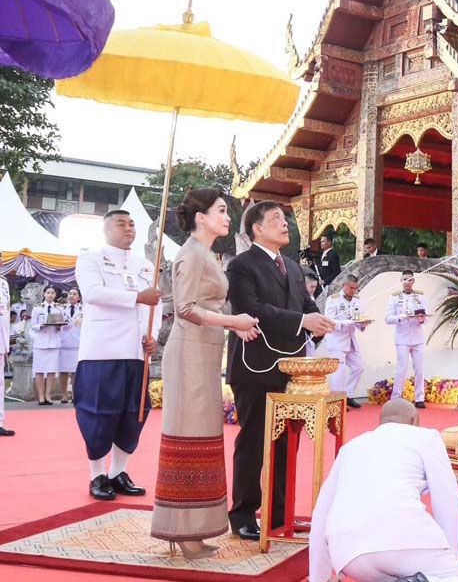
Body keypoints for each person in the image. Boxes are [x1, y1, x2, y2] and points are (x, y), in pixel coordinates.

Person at [151, 188, 260, 559]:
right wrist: (233, 320)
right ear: (200, 217)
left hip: (206, 351)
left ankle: (189, 527)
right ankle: (180, 529)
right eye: (220, 211)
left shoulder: (206, 254)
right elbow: (185, 308)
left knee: (204, 436)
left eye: (227, 212)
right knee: (188, 436)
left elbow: (206, 307)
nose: (228, 217)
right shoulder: (191, 254)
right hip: (189, 354)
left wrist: (236, 326)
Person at [226, 201, 337, 541]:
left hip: (293, 370)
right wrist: (302, 321)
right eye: (275, 218)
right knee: (255, 441)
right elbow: (252, 309)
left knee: (287, 443)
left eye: (284, 218)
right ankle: (243, 513)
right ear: (256, 229)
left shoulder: (290, 264)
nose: (284, 223)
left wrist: (318, 321)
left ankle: (278, 513)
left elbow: (306, 306)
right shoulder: (242, 266)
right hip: (255, 366)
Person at [309, 399, 458, 582]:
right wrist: (448, 561)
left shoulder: (350, 447)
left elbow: (321, 511)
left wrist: (319, 578)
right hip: (402, 543)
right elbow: (448, 502)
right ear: (414, 420)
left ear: (381, 422)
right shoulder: (426, 437)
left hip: (348, 556)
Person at [74, 209, 162, 501]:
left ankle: (118, 472)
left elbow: (156, 304)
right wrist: (136, 297)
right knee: (98, 413)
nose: (128, 229)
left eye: (132, 224)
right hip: (103, 349)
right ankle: (96, 474)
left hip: (136, 351)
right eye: (120, 223)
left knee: (133, 414)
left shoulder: (145, 264)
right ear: (105, 229)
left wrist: (154, 336)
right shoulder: (91, 258)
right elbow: (93, 293)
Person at [325, 275, 370, 410]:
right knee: (339, 372)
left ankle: (348, 395)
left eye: (356, 288)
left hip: (350, 339)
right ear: (344, 285)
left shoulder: (357, 300)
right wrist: (350, 322)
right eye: (351, 288)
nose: (353, 291)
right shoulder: (333, 300)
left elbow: (359, 318)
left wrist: (363, 323)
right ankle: (337, 401)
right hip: (337, 340)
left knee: (359, 367)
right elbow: (330, 320)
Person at [386, 271, 427, 408]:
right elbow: (388, 318)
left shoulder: (420, 296)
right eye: (404, 279)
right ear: (401, 280)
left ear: (413, 281)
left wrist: (422, 319)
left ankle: (419, 398)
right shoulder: (394, 297)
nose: (407, 282)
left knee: (419, 369)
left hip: (417, 337)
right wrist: (399, 317)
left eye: (409, 280)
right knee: (401, 369)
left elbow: (425, 316)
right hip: (402, 337)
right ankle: (396, 397)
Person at [30, 285, 64, 406]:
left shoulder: (59, 309)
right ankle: (40, 396)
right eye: (48, 292)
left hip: (53, 342)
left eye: (52, 293)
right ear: (44, 294)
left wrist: (59, 326)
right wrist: (41, 326)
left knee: (51, 370)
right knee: (39, 370)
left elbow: (64, 325)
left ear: (55, 295)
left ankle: (48, 395)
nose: (50, 295)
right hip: (40, 342)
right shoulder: (37, 308)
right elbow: (32, 325)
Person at [58, 287, 83, 403]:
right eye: (70, 294)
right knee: (63, 372)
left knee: (75, 372)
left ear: (79, 297)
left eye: (74, 294)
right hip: (64, 342)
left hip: (77, 343)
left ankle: (74, 394)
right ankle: (64, 395)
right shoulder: (61, 309)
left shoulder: (83, 310)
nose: (71, 296)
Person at [0, 275, 14, 436]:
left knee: (0, 383)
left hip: (1, 340)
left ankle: (0, 421)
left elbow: (6, 310)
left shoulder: (3, 283)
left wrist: (6, 341)